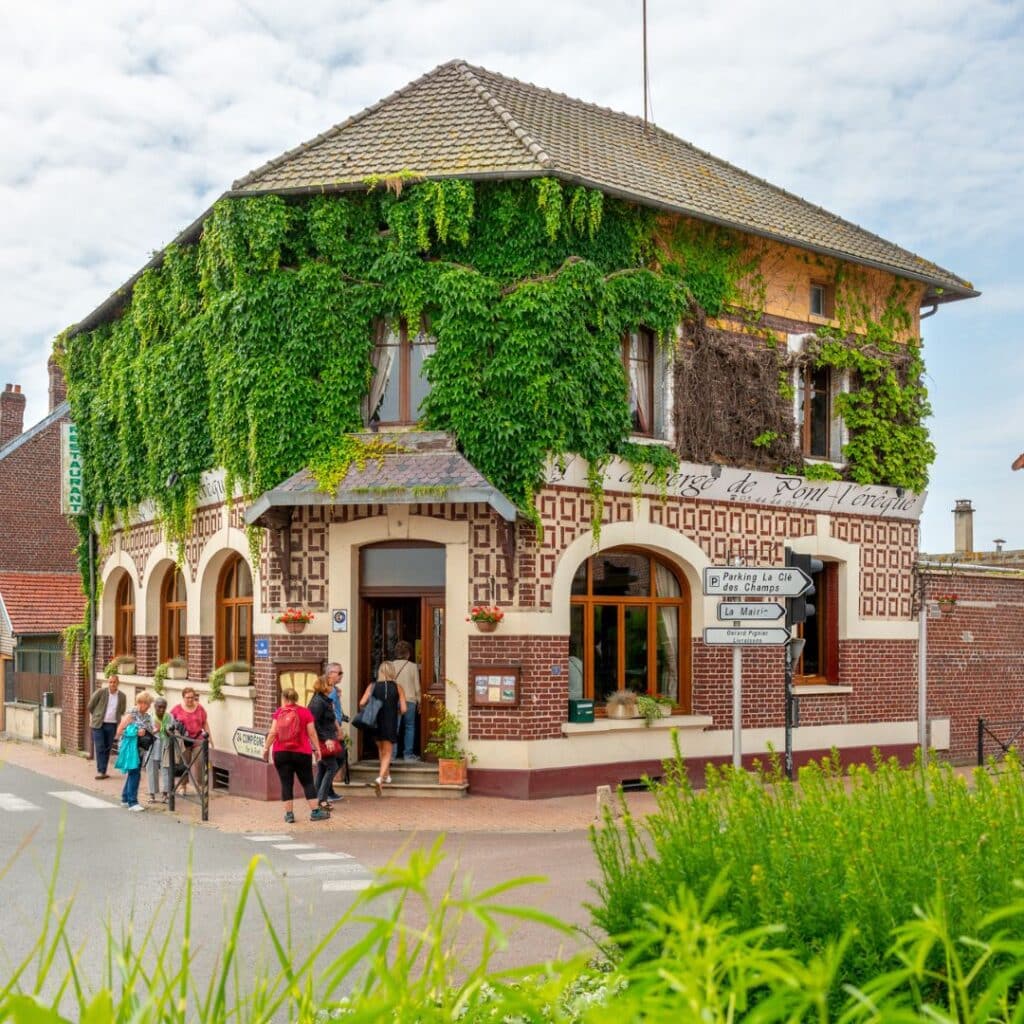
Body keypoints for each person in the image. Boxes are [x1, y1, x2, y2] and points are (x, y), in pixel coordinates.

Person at [262, 688, 328, 823]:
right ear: (296, 698)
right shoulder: (305, 712)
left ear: (284, 698)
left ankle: (289, 815)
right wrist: (317, 749)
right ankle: (315, 812)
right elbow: (312, 733)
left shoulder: (279, 712)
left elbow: (273, 732)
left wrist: (266, 747)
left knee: (286, 783)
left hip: (281, 753)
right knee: (308, 782)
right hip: (302, 753)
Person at [359, 662, 406, 795]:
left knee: (381, 749)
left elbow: (361, 703)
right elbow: (404, 709)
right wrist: (395, 710)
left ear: (380, 672)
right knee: (388, 752)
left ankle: (386, 776)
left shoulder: (372, 686)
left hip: (375, 722)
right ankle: (379, 779)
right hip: (390, 722)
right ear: (392, 672)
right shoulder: (398, 687)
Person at [378, 640, 420, 761]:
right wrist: (420, 700)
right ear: (408, 654)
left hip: (392, 700)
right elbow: (417, 686)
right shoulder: (412, 666)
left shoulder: (390, 665)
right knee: (409, 727)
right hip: (409, 700)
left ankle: (392, 755)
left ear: (396, 653)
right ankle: (408, 755)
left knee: (393, 727)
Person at [114, 691, 155, 812]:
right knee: (135, 773)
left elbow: (149, 730)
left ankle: (125, 798)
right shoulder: (131, 714)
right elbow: (119, 731)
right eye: (148, 704)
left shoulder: (147, 716)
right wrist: (136, 732)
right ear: (141, 703)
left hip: (140, 747)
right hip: (130, 748)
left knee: (133, 772)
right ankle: (133, 802)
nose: (149, 706)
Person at [308, 674, 343, 811]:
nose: (332, 687)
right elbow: (314, 724)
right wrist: (325, 739)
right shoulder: (318, 702)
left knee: (332, 763)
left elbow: (329, 718)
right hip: (323, 740)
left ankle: (317, 796)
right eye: (329, 685)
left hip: (330, 737)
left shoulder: (325, 700)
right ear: (323, 686)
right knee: (331, 766)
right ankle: (321, 799)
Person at [170, 686, 211, 788]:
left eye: (192, 697)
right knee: (184, 764)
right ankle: (183, 785)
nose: (190, 699)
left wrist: (210, 738)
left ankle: (202, 786)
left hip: (198, 739)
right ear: (183, 697)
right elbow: (169, 723)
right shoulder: (177, 709)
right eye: (187, 697)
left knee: (201, 762)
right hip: (184, 741)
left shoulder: (200, 708)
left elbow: (205, 723)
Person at [88, 674, 126, 780]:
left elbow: (122, 710)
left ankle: (103, 770)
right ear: (108, 683)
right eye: (110, 682)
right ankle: (101, 771)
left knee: (107, 748)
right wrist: (97, 715)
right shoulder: (101, 692)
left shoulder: (122, 696)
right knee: (100, 747)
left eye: (114, 682)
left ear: (118, 683)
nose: (112, 684)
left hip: (112, 724)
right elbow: (90, 705)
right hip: (98, 724)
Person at [147, 697, 172, 803]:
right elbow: (146, 733)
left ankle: (165, 794)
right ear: (155, 706)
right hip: (153, 746)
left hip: (165, 745)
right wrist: (155, 730)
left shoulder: (169, 717)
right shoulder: (150, 717)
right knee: (151, 770)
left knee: (165, 769)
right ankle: (152, 794)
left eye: (164, 707)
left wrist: (163, 728)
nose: (161, 709)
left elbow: (171, 733)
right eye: (159, 707)